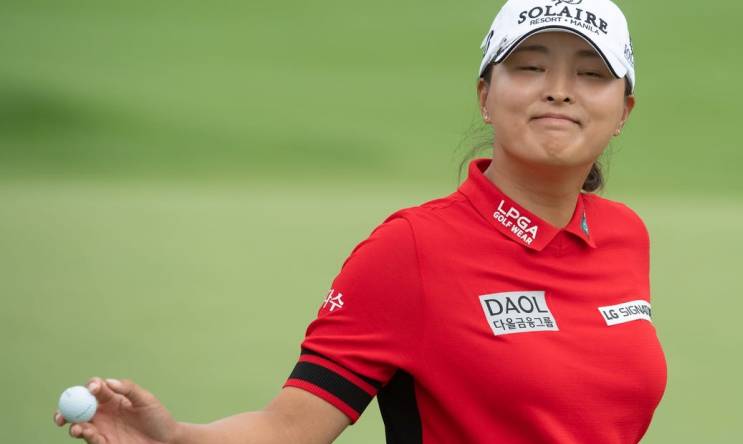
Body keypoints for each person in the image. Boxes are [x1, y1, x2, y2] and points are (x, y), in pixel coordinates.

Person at [53, 0, 667, 442]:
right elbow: (289, 427)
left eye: (591, 74)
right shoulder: (413, 248)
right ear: (485, 95)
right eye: (530, 66)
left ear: (624, 111)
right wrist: (180, 440)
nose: (559, 90)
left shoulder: (623, 235)